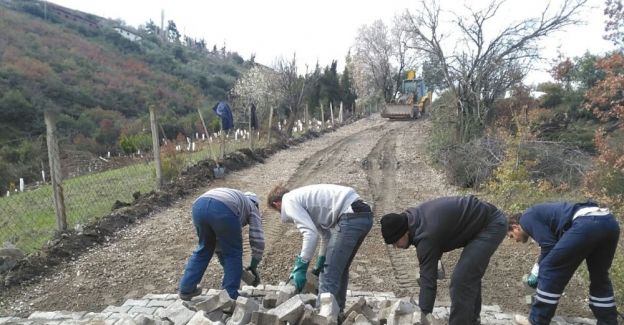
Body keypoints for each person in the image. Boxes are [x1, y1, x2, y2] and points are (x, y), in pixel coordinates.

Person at [380, 195, 507, 325]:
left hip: (491, 225)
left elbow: (428, 282)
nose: (396, 247)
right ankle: (473, 320)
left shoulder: (425, 236)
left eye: (395, 242)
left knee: (461, 280)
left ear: (404, 232)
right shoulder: (413, 219)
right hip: (480, 221)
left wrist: (421, 318)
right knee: (468, 275)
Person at [508, 201, 620, 325]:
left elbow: (549, 246)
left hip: (587, 223)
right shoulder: (540, 215)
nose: (516, 240)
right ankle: (608, 321)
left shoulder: (526, 218)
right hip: (609, 222)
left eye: (512, 236)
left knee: (549, 269)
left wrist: (536, 272)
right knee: (600, 277)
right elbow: (553, 244)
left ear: (515, 227)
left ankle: (536, 320)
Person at [266, 183, 373, 312]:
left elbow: (310, 234)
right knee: (339, 269)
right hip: (363, 215)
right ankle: (336, 313)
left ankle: (322, 317)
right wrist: (320, 262)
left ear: (276, 204)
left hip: (350, 216)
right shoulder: (304, 201)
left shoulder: (288, 200)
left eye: (277, 211)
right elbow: (325, 235)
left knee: (328, 274)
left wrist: (301, 266)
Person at [178, 188, 265, 300]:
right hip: (223, 208)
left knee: (204, 248)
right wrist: (254, 264)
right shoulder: (252, 206)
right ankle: (229, 295)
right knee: (233, 253)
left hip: (199, 207)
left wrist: (224, 261)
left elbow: (219, 239)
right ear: (256, 203)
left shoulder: (237, 198)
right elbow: (258, 239)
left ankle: (186, 289)